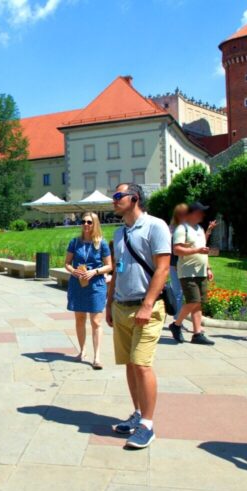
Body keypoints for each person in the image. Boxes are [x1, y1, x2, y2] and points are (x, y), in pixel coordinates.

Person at [105, 183, 171, 449]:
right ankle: (137, 413)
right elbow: (117, 271)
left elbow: (163, 269)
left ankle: (148, 425)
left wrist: (147, 304)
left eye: (117, 196)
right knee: (130, 365)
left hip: (147, 308)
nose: (114, 200)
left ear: (134, 198)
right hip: (121, 306)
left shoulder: (156, 226)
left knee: (142, 364)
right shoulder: (119, 232)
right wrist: (109, 303)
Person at [64, 212, 112, 369]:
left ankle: (97, 357)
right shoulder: (75, 242)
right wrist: (74, 271)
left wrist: (95, 271)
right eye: (83, 221)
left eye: (89, 222)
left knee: (96, 321)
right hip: (78, 284)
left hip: (96, 285)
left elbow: (109, 266)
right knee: (79, 319)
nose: (85, 224)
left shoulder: (101, 243)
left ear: (95, 224)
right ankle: (82, 350)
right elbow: (67, 263)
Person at [168, 201, 215, 345]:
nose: (203, 215)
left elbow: (203, 249)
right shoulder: (182, 229)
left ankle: (197, 333)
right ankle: (176, 324)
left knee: (198, 303)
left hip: (200, 271)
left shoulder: (200, 229)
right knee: (193, 301)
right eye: (200, 212)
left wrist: (208, 267)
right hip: (187, 272)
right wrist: (197, 250)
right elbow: (177, 250)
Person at [168, 204, 188, 323]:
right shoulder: (174, 229)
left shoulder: (185, 228)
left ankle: (177, 319)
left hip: (183, 264)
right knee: (178, 292)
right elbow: (173, 248)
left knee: (180, 292)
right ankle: (177, 320)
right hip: (175, 263)